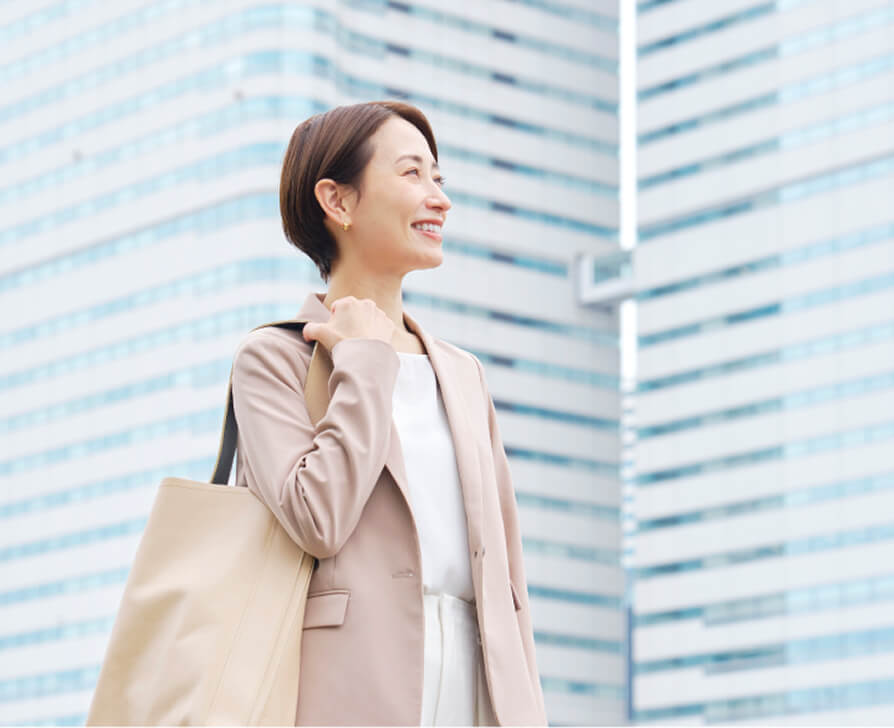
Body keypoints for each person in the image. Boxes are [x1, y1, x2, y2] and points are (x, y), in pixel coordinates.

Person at [230, 101, 547, 726]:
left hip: (478, 686)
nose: (439, 199)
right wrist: (364, 362)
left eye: (438, 178)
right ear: (338, 201)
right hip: (345, 687)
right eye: (411, 174)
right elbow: (317, 518)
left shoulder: (463, 374)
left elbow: (509, 578)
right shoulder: (275, 358)